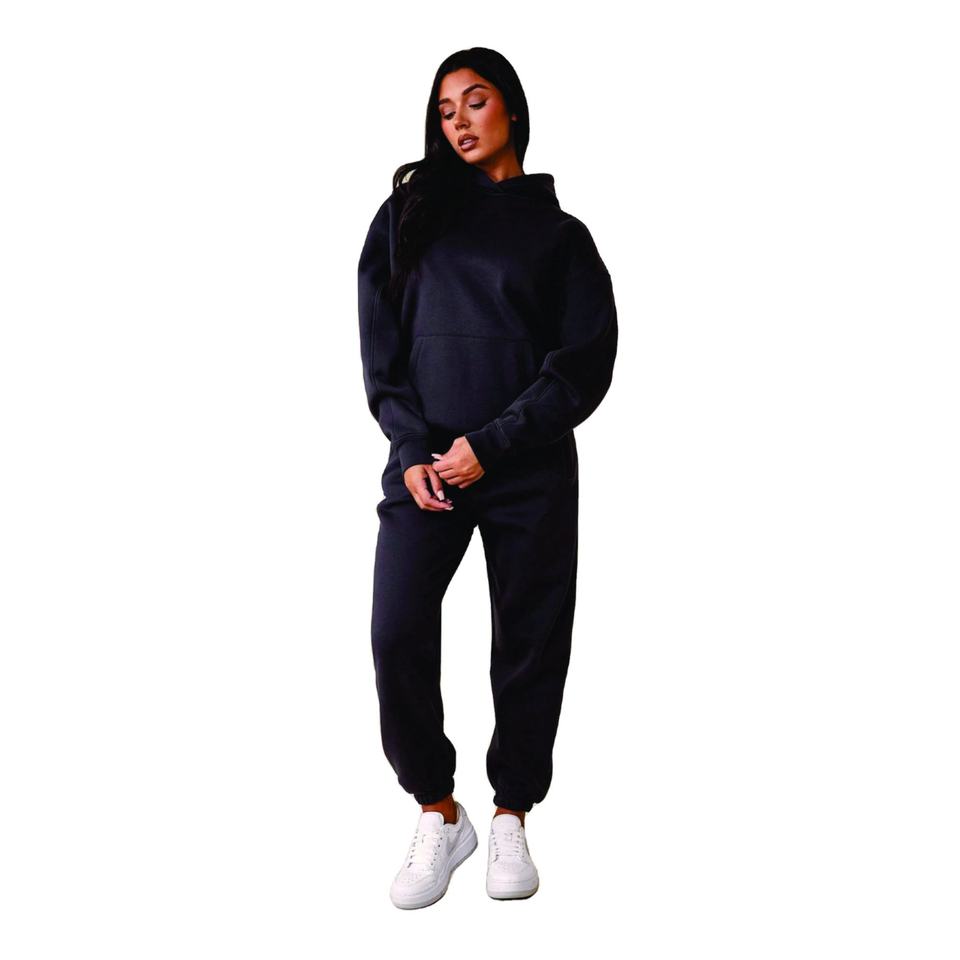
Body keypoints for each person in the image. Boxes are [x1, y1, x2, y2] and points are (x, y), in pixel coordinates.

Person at [357, 47, 618, 909]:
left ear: (512, 109)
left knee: (530, 643)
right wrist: (411, 449)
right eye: (445, 111)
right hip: (426, 467)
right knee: (397, 631)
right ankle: (441, 810)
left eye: (475, 101)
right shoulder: (409, 216)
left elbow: (581, 367)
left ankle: (512, 813)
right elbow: (383, 349)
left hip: (527, 469)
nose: (459, 121)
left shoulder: (561, 238)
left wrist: (494, 444)